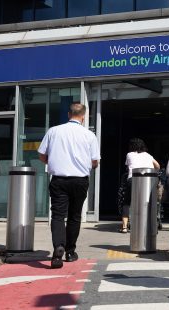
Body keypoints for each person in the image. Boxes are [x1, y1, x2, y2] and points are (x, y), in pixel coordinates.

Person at [38, 103, 101, 269]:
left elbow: (42, 155)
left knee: (58, 215)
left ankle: (58, 246)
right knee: (75, 215)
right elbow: (95, 161)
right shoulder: (89, 135)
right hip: (80, 180)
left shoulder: (53, 131)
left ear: (68, 114)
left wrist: (53, 161)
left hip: (59, 179)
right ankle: (70, 251)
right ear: (84, 116)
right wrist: (89, 165)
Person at [121, 138, 160, 232]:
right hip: (147, 181)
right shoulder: (148, 155)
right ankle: (149, 225)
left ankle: (125, 227)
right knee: (147, 202)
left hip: (133, 179)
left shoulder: (129, 154)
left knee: (127, 202)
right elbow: (158, 166)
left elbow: (128, 166)